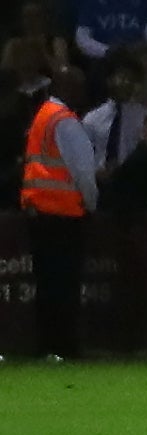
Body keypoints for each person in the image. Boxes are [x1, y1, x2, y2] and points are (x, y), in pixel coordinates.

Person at [16, 50, 94, 359]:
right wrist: (91, 203)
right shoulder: (65, 121)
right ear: (67, 88)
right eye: (78, 86)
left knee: (46, 284)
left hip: (39, 212)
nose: (83, 92)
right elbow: (83, 172)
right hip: (63, 214)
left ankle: (47, 346)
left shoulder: (43, 116)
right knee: (64, 285)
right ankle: (65, 347)